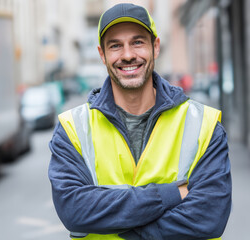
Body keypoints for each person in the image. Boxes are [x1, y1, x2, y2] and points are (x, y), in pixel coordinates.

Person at [48, 3, 231, 240]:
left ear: (155, 46)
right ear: (102, 54)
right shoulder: (72, 128)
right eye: (115, 45)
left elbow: (209, 216)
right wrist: (169, 195)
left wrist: (128, 229)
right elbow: (75, 210)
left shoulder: (203, 125)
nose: (127, 55)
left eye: (137, 42)